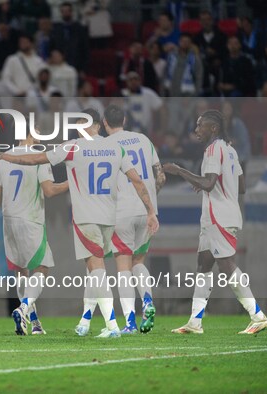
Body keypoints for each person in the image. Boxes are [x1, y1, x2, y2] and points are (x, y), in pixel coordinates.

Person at [0, 108, 159, 338]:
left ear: (87, 125)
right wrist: (150, 211)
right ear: (99, 124)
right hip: (109, 218)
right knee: (96, 269)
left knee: (95, 270)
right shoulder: (116, 146)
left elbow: (34, 158)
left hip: (85, 217)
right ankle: (87, 320)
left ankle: (112, 326)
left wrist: (4, 156)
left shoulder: (72, 146)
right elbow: (137, 180)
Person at [164, 110, 267, 335]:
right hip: (221, 214)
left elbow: (209, 183)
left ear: (213, 128)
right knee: (204, 264)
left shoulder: (213, 149)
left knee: (226, 264)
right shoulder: (230, 150)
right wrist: (206, 182)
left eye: (200, 125)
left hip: (218, 216)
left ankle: (257, 315)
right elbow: (240, 186)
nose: (196, 130)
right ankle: (195, 321)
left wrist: (180, 170)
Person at [0, 130, 68, 335]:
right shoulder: (39, 158)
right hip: (30, 220)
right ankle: (23, 307)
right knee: (43, 267)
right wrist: (72, 182)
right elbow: (49, 191)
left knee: (21, 271)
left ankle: (35, 323)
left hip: (8, 222)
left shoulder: (1, 159)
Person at [103, 105, 165, 335]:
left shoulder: (107, 145)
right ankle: (147, 301)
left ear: (105, 123)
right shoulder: (144, 140)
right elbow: (161, 175)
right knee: (139, 261)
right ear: (125, 120)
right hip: (147, 210)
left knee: (122, 266)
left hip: (121, 211)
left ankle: (129, 322)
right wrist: (150, 203)